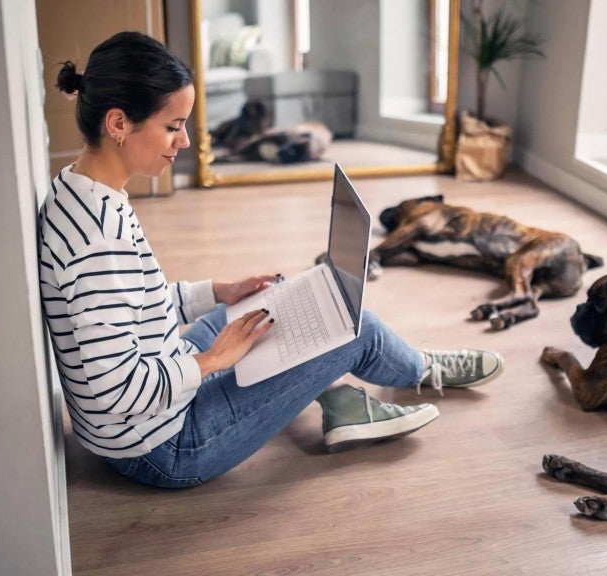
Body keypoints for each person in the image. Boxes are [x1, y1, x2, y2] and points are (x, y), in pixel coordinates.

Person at [39, 31, 504, 488]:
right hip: (165, 447)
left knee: (279, 300)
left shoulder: (80, 191)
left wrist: (218, 293)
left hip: (154, 398)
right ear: (118, 123)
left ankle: (342, 399)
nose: (183, 142)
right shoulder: (99, 238)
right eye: (173, 125)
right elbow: (115, 391)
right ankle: (421, 369)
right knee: (348, 325)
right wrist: (214, 360)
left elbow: (133, 304)